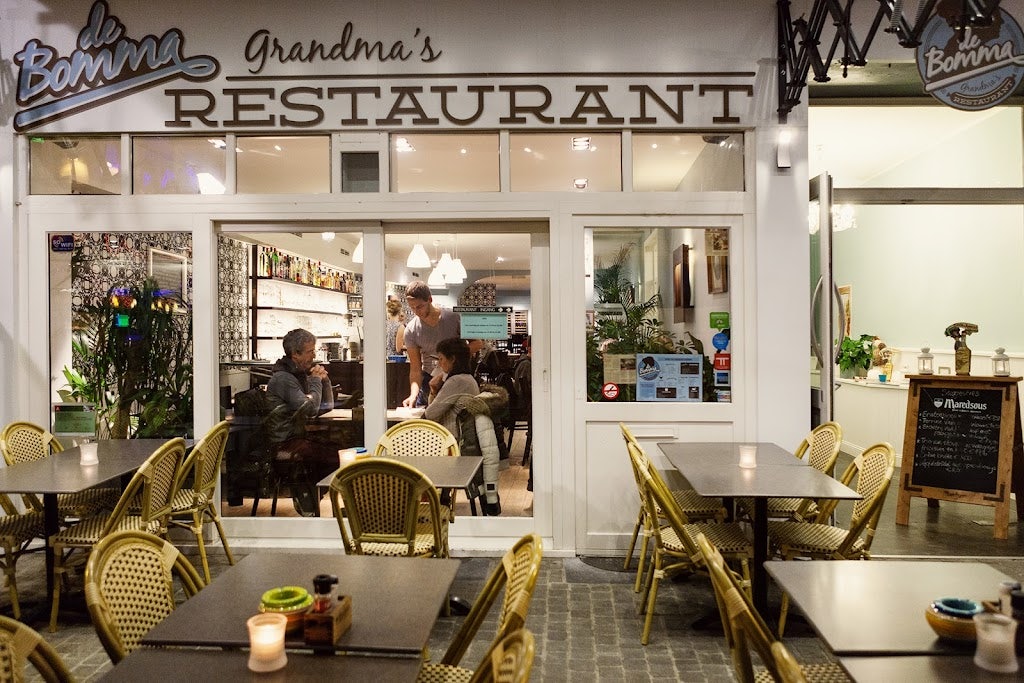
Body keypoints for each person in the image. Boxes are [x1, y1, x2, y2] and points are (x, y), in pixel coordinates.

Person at [425, 337, 503, 515]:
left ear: (452, 359)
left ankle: (432, 513)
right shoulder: (468, 379)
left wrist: (432, 390)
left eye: (441, 359)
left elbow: (431, 414)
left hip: (453, 445)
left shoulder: (456, 381)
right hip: (464, 443)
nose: (440, 363)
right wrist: (435, 391)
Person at [265, 328, 337, 515]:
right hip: (283, 443)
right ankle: (307, 499)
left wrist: (324, 380)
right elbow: (311, 409)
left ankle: (309, 497)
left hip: (298, 437)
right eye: (310, 351)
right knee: (335, 457)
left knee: (336, 450)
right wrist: (315, 381)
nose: (314, 355)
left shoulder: (298, 374)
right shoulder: (283, 378)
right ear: (295, 354)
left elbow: (325, 406)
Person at [402, 281, 461, 407]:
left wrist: (453, 358)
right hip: (429, 379)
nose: (416, 311)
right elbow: (415, 369)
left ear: (430, 299)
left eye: (419, 306)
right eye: (412, 308)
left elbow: (477, 343)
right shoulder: (411, 330)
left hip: (455, 376)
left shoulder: (454, 317)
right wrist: (413, 395)